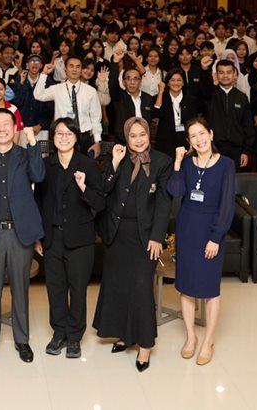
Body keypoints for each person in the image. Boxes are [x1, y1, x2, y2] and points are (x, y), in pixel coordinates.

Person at [93, 117, 173, 372]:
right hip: (117, 234)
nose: (138, 140)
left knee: (140, 288)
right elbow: (103, 190)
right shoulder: (118, 158)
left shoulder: (162, 162)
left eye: (142, 134)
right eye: (133, 135)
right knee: (119, 286)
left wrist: (157, 237)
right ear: (126, 138)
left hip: (145, 237)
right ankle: (124, 335)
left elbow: (164, 203)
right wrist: (115, 163)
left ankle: (145, 344)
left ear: (149, 135)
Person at [0, 116, 43, 364]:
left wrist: (33, 143)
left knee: (20, 291)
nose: (2, 129)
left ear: (14, 129)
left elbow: (39, 175)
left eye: (7, 124)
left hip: (19, 235)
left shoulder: (25, 155)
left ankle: (22, 340)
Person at [33, 117, 104, 359]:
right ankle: (59, 333)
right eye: (59, 133)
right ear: (53, 138)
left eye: (69, 133)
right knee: (55, 289)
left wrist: (84, 187)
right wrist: (38, 236)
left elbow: (100, 202)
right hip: (52, 238)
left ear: (76, 137)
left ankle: (74, 336)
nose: (64, 137)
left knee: (78, 290)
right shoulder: (46, 165)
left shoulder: (88, 164)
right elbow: (38, 202)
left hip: (80, 240)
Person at [167, 117, 235, 366]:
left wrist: (216, 237)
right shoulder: (186, 162)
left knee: (209, 289)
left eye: (202, 133)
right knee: (186, 286)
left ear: (211, 134)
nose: (199, 139)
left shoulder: (226, 164)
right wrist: (177, 163)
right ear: (189, 141)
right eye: (193, 136)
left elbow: (227, 204)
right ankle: (191, 337)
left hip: (210, 231)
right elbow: (175, 192)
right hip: (187, 229)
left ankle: (208, 341)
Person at [33, 55, 103, 157]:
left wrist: (97, 141)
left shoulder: (90, 91)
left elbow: (96, 118)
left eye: (78, 67)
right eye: (71, 66)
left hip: (84, 137)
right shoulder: (57, 89)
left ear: (81, 70)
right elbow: (38, 95)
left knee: (84, 166)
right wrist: (44, 74)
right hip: (62, 136)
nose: (74, 69)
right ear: (65, 69)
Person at [203, 60, 254, 170]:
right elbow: (203, 88)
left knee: (234, 180)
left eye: (228, 72)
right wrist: (205, 70)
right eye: (221, 72)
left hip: (236, 151)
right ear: (216, 75)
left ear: (235, 74)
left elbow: (248, 126)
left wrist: (246, 151)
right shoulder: (209, 95)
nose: (225, 76)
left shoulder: (242, 97)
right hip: (212, 149)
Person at [153, 70, 200, 159]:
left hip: (184, 140)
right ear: (167, 83)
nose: (176, 83)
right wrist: (161, 91)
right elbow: (156, 113)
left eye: (179, 80)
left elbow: (193, 123)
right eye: (172, 80)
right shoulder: (161, 97)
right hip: (165, 141)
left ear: (183, 83)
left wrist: (192, 144)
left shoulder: (190, 100)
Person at [106, 57, 155, 141]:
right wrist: (115, 62)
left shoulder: (148, 98)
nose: (132, 82)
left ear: (140, 81)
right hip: (124, 141)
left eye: (136, 79)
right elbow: (113, 83)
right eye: (128, 78)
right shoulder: (119, 96)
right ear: (123, 82)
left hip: (144, 141)